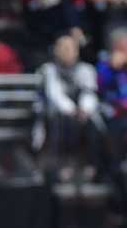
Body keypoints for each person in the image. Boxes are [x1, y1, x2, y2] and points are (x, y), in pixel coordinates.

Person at [37, 34, 102, 178]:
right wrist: (72, 110)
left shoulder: (86, 69)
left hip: (82, 113)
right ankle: (64, 163)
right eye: (63, 48)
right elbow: (53, 94)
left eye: (70, 48)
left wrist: (84, 109)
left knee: (92, 124)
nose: (66, 52)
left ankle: (91, 164)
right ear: (55, 51)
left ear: (77, 51)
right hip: (55, 114)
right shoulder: (48, 70)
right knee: (64, 121)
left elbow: (90, 92)